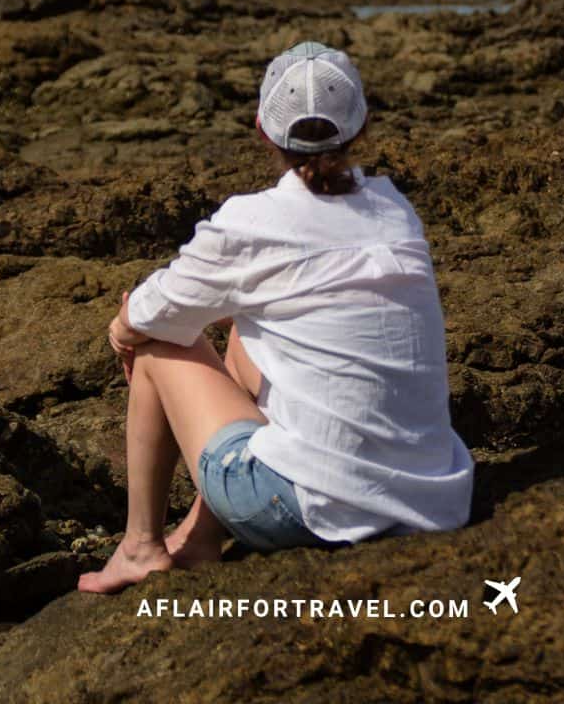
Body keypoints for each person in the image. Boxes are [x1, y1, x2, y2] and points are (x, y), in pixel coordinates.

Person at [78, 42, 474, 594]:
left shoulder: (254, 222)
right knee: (245, 331)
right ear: (361, 127)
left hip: (303, 509)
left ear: (264, 131)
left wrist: (123, 332)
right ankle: (196, 538)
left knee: (158, 348)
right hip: (429, 496)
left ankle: (140, 546)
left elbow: (151, 312)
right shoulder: (395, 211)